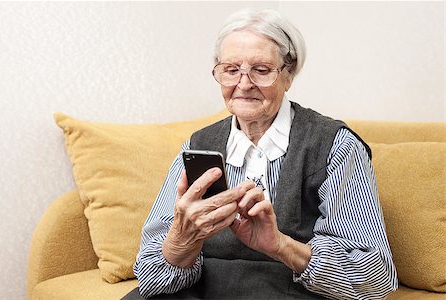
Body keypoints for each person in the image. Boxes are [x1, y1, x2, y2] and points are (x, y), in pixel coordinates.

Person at [125, 8, 398, 300]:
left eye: (261, 70)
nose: (243, 85)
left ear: (288, 74)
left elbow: (375, 275)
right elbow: (150, 276)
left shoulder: (335, 145)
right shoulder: (196, 146)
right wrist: (180, 242)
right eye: (231, 70)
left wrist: (280, 245)